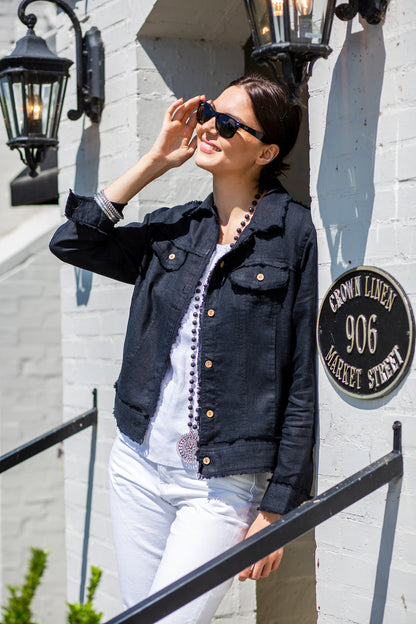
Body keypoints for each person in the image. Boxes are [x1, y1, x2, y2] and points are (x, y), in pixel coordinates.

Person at [50, 74, 317, 624]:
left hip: (221, 485)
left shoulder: (292, 234)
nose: (210, 128)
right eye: (209, 114)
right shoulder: (173, 229)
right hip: (138, 463)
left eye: (229, 123)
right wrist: (154, 161)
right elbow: (74, 241)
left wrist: (277, 509)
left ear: (266, 152)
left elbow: (300, 379)